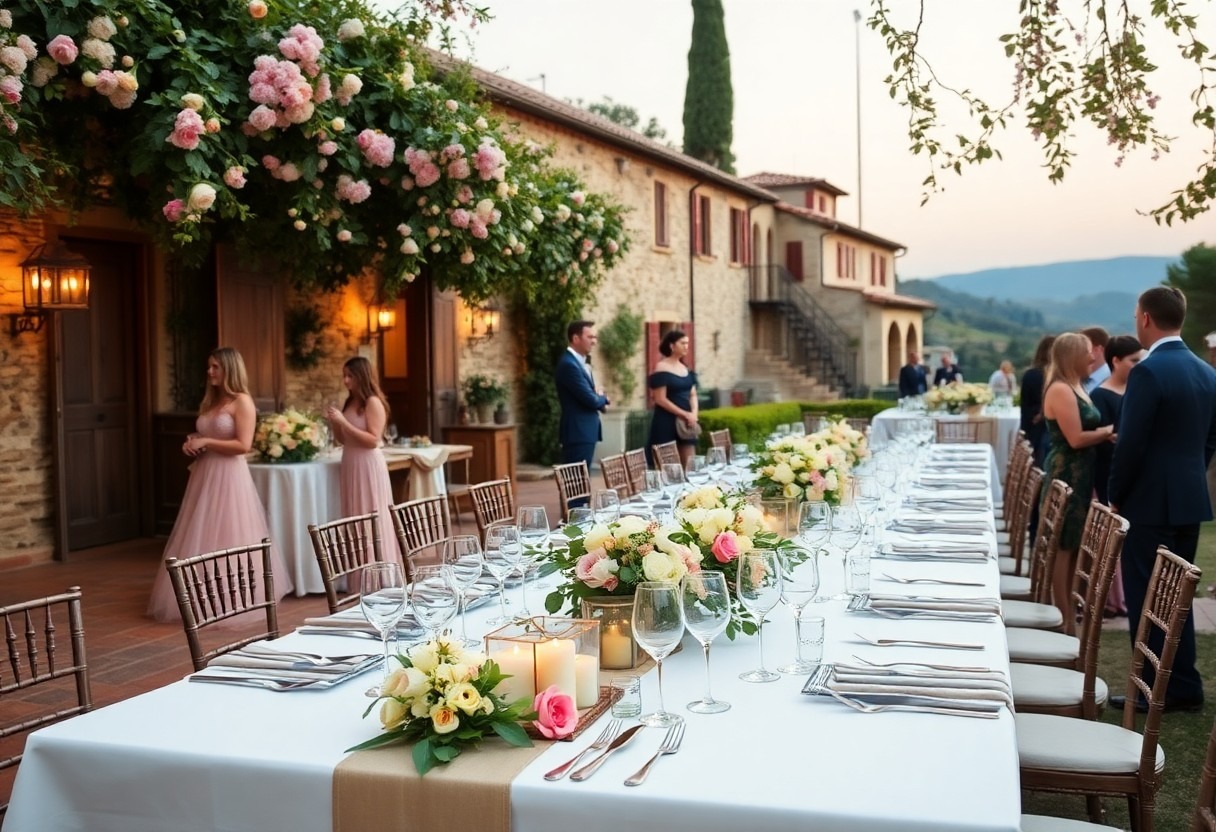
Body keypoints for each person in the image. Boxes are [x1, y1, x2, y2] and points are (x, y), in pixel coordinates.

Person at [1109, 286, 1216, 712]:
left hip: (1149, 501)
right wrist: (1189, 470)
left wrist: (1117, 493)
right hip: (1189, 498)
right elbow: (1212, 438)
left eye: (1137, 315)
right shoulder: (1207, 372)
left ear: (1146, 319)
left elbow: (1130, 444)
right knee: (1179, 597)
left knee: (1147, 596)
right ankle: (1184, 685)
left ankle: (1154, 688)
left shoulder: (1148, 372)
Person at [147, 347, 294, 622]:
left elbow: (243, 445)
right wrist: (194, 441)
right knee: (200, 532)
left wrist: (207, 442)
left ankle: (231, 597)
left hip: (229, 476)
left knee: (228, 531)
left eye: (215, 367)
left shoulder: (242, 402)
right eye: (209, 366)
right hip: (205, 473)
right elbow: (208, 433)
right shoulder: (212, 401)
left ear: (229, 369)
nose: (209, 372)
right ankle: (199, 594)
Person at [1040, 332, 1116, 632]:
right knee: (1063, 547)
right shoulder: (1060, 390)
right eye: (1087, 352)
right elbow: (1075, 438)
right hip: (1067, 474)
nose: (1092, 357)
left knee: (1074, 547)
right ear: (1072, 355)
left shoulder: (1077, 386)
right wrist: (1108, 431)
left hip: (1081, 474)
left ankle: (1070, 615)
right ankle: (1064, 621)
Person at [1090, 335, 1144, 618]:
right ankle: (1112, 600)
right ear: (1115, 361)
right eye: (1134, 361)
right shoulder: (1100, 395)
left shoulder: (1139, 391)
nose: (1139, 365)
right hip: (1109, 474)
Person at [326, 357, 399, 564]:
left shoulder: (373, 402)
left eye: (350, 376)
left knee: (370, 512)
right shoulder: (351, 402)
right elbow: (343, 439)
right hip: (350, 462)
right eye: (344, 376)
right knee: (354, 514)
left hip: (367, 464)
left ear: (361, 377)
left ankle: (379, 567)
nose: (345, 381)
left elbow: (373, 440)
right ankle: (359, 569)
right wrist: (335, 424)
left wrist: (344, 422)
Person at [555, 320, 609, 477]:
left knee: (582, 483)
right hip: (578, 432)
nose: (594, 341)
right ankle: (579, 504)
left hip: (584, 431)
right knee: (577, 484)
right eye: (590, 336)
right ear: (575, 338)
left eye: (595, 337)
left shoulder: (578, 363)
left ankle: (582, 503)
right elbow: (590, 400)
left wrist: (597, 397)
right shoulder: (569, 365)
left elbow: (589, 395)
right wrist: (603, 398)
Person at [646, 329, 699, 467]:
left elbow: (692, 394)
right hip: (666, 422)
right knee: (669, 467)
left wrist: (694, 414)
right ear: (672, 346)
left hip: (686, 422)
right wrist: (684, 414)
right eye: (682, 343)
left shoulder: (686, 369)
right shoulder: (662, 367)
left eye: (687, 343)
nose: (686, 346)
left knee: (690, 465)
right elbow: (660, 399)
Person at [1020, 335, 1056, 467]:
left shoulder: (1030, 374)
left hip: (1032, 430)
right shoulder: (1052, 376)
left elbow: (1026, 406)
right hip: (1044, 431)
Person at [1080, 326, 1110, 394]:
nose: (1077, 354)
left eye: (1082, 349)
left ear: (1098, 350)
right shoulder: (1081, 379)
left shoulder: (1111, 380)